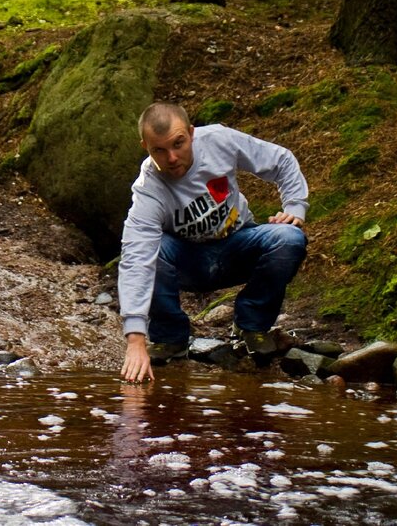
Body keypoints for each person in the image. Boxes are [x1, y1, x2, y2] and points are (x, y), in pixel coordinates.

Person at [119, 102, 309, 383]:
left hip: (239, 246)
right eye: (159, 150)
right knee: (152, 250)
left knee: (289, 238)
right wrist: (135, 340)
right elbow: (136, 257)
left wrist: (294, 206)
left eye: (179, 144)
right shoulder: (148, 190)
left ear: (192, 133)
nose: (172, 158)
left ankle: (251, 328)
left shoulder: (219, 140)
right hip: (187, 261)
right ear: (145, 146)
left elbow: (280, 159)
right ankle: (170, 339)